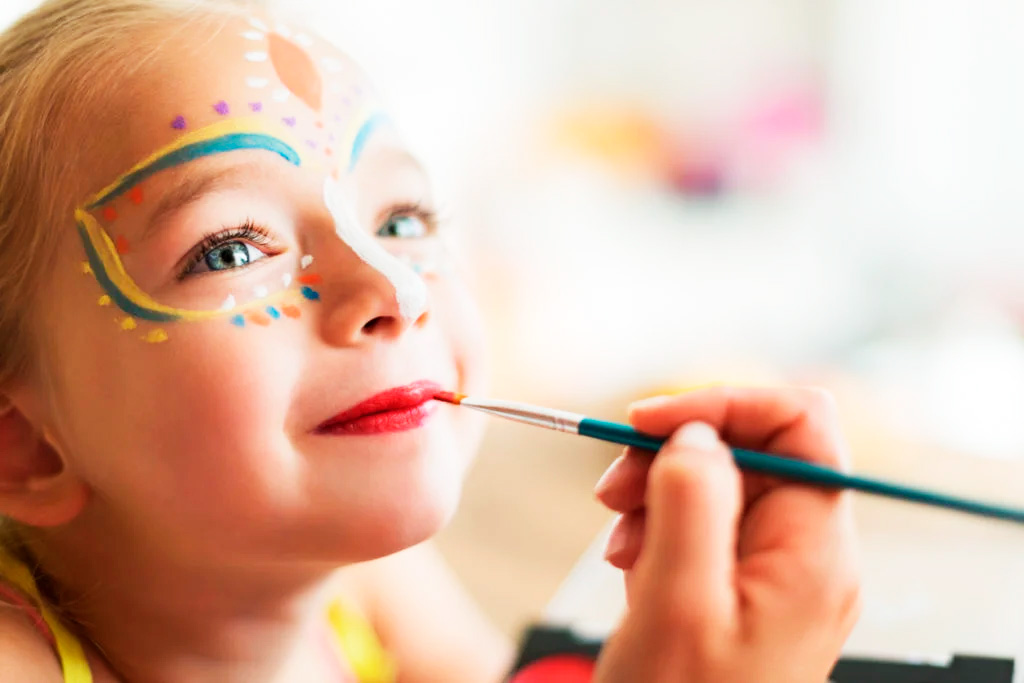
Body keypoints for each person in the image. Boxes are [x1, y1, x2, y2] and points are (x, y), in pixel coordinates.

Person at [0, 0, 860, 680]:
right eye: (229, 249)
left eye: (401, 219)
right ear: (24, 445)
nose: (393, 288)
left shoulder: (356, 572)